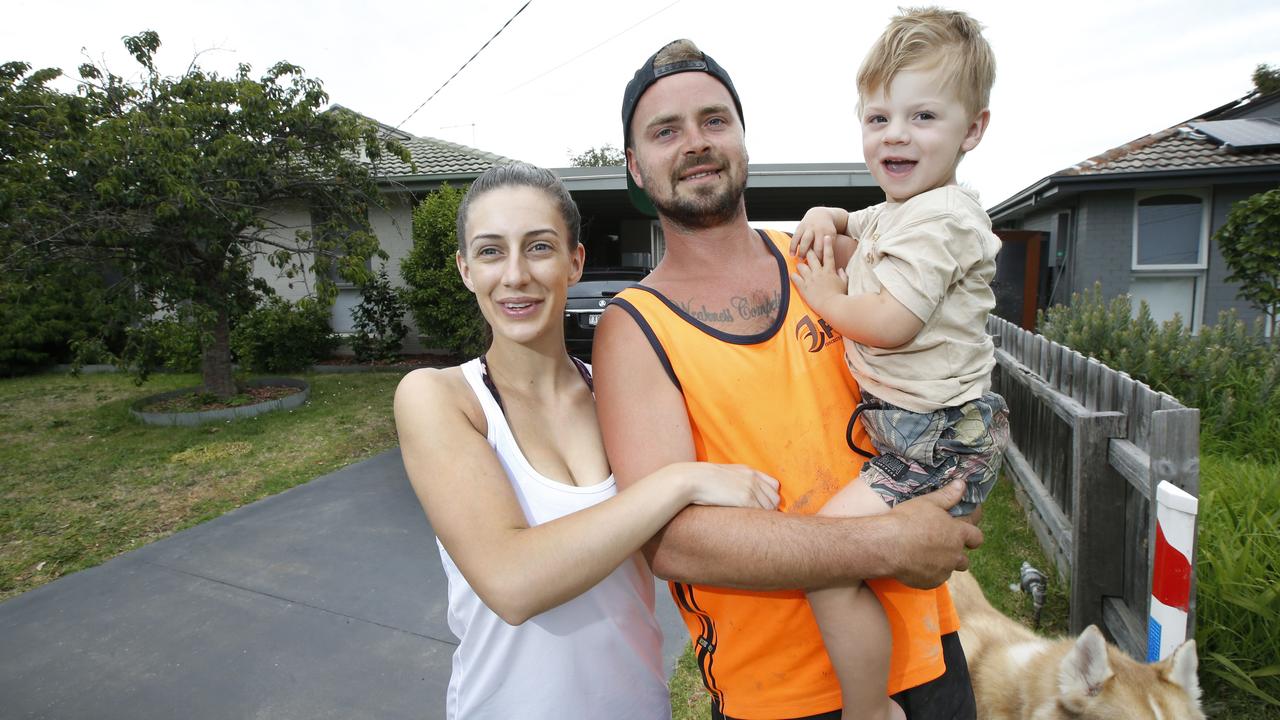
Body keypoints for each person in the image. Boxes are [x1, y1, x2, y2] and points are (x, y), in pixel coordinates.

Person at [593, 38, 983, 720]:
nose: (696, 143)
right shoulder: (634, 328)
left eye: (715, 120)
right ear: (634, 164)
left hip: (924, 656)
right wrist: (887, 542)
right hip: (779, 697)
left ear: (743, 137)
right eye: (666, 130)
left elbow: (945, 369)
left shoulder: (823, 259)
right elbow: (675, 541)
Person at [393, 162, 781, 720]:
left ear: (575, 261)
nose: (516, 275)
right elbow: (512, 582)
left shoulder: (620, 397)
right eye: (491, 251)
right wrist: (679, 480)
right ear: (465, 271)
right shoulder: (440, 398)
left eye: (539, 247)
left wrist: (834, 223)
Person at [787, 9, 1011, 720]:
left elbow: (890, 322)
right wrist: (827, 213)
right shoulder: (900, 210)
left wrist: (823, 295)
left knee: (823, 560)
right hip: (919, 433)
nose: (896, 135)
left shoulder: (943, 220)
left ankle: (869, 709)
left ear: (971, 130)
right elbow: (858, 233)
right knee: (841, 559)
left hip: (939, 443)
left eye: (922, 115)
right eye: (878, 118)